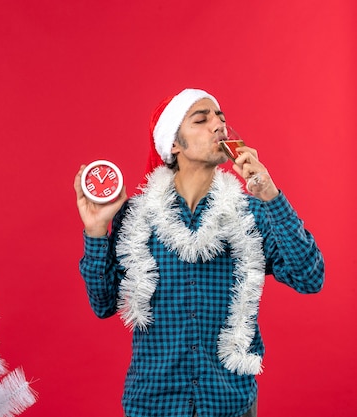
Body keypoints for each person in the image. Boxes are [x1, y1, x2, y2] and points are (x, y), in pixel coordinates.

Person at [73, 88, 324, 417]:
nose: (218, 124)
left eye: (220, 117)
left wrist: (270, 194)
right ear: (174, 144)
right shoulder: (136, 216)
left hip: (230, 403)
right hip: (154, 404)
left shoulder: (252, 210)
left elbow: (310, 277)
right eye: (201, 119)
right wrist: (95, 231)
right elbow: (104, 304)